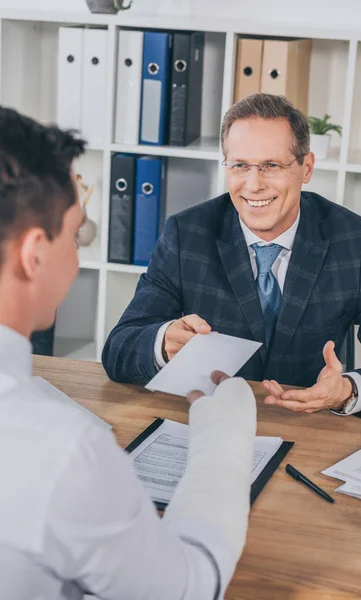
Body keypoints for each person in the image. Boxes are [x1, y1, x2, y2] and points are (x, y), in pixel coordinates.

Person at [0, 106, 257, 599]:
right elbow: (190, 586)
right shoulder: (63, 452)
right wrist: (224, 439)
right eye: (75, 233)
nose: (77, 256)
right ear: (34, 254)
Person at [102, 93, 361, 420]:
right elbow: (119, 348)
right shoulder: (186, 233)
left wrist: (347, 390)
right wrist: (162, 342)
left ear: (307, 168)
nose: (253, 185)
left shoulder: (353, 239)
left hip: (310, 428)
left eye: (271, 165)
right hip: (210, 422)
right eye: (240, 165)